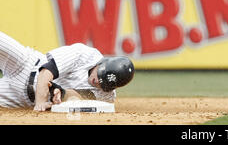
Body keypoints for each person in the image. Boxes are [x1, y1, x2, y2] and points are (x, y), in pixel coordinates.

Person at [0, 30, 134, 111]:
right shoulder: (84, 54)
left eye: (104, 83)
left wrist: (61, 93)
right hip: (25, 64)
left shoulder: (107, 96)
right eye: (100, 75)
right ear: (101, 63)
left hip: (18, 99)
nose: (98, 81)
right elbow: (46, 72)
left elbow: (75, 96)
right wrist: (40, 102)